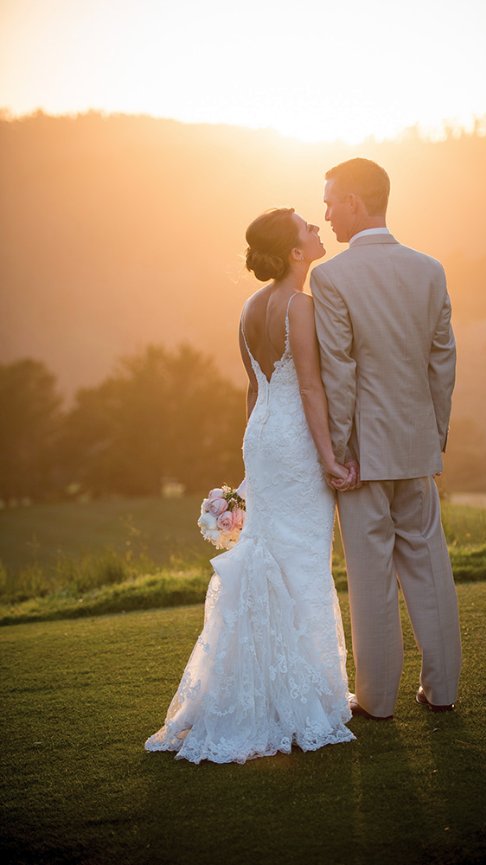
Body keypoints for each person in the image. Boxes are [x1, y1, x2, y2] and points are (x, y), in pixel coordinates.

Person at [145, 208, 356, 764]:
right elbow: (310, 390)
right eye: (308, 229)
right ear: (294, 252)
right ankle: (310, 695)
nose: (316, 233)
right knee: (304, 561)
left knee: (270, 553)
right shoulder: (300, 307)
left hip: (260, 436)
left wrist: (250, 461)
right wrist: (332, 458)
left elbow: (252, 391)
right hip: (293, 442)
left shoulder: (248, 308)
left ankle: (273, 686)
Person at [310, 157, 461, 720]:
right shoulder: (430, 269)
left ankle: (376, 701)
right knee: (429, 565)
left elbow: (340, 372)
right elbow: (442, 361)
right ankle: (442, 690)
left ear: (354, 202)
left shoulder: (330, 278)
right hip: (417, 447)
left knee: (371, 578)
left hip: (364, 455)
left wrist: (339, 451)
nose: (325, 214)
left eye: (330, 202)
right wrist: (435, 434)